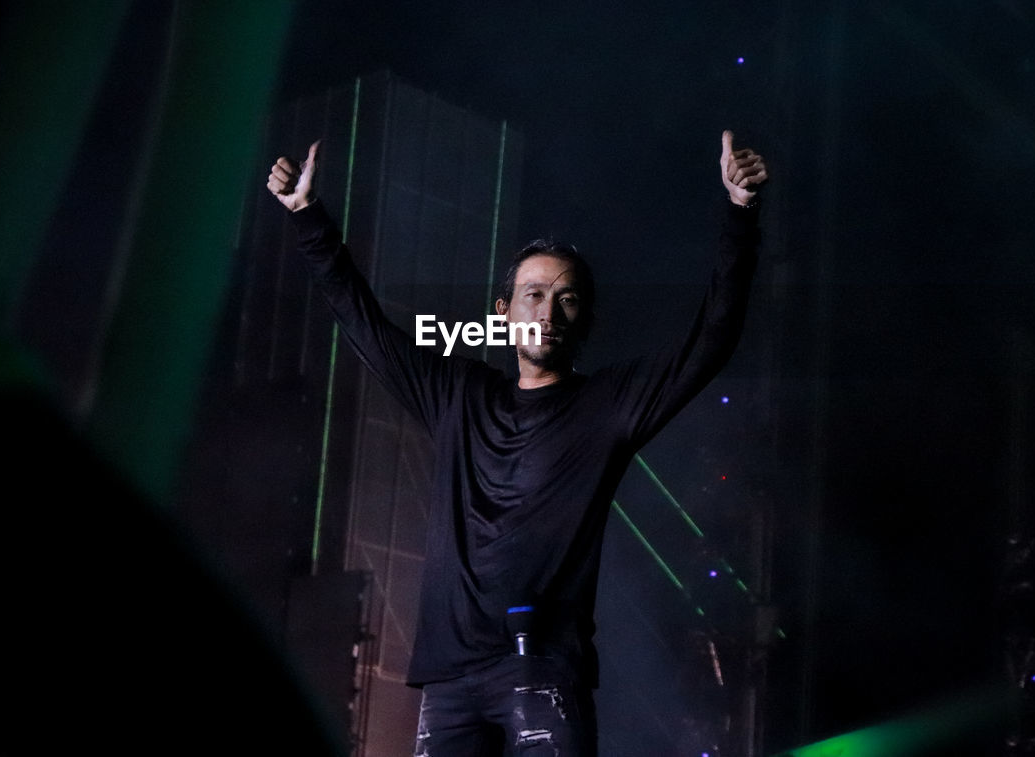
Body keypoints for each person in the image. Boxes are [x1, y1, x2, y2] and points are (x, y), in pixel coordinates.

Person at [266, 129, 768, 756]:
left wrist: (740, 213)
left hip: (542, 672)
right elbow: (364, 325)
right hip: (448, 678)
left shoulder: (607, 404)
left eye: (566, 301)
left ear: (583, 320)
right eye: (533, 296)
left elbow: (711, 339)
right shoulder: (457, 394)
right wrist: (307, 216)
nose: (548, 313)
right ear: (504, 311)